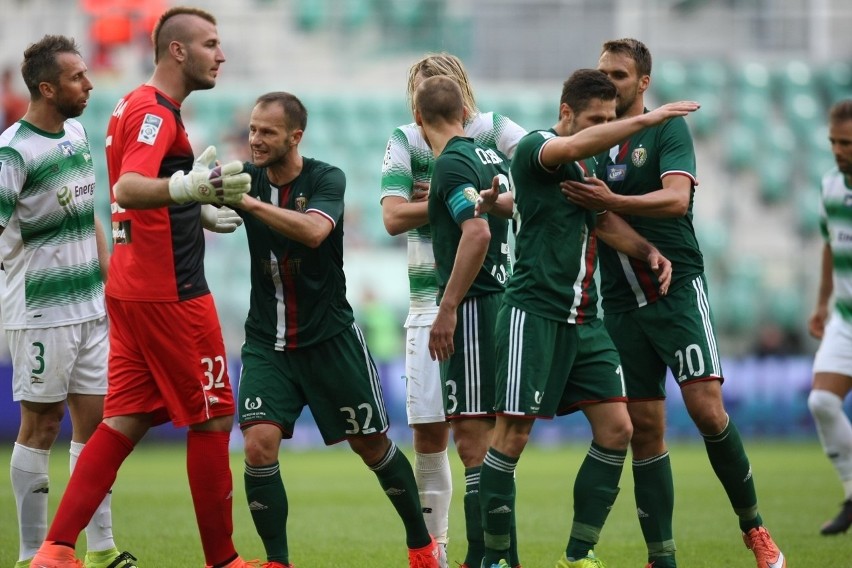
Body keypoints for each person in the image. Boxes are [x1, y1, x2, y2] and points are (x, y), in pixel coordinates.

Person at [31, 7, 253, 568]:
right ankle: (223, 561)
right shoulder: (155, 112)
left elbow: (135, 193)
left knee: (122, 420)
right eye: (209, 44)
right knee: (213, 417)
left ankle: (55, 550)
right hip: (169, 291)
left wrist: (191, 206)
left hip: (129, 286)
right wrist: (189, 188)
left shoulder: (132, 103)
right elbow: (131, 186)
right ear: (176, 51)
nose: (220, 55)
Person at [561, 38, 786, 568]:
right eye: (602, 73)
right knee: (645, 431)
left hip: (676, 290)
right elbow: (594, 217)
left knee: (708, 411)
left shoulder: (666, 129)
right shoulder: (590, 140)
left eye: (618, 75)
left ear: (642, 83)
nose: (608, 83)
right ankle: (661, 557)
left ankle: (755, 528)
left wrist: (614, 201)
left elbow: (677, 199)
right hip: (620, 304)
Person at [476, 68, 695, 568]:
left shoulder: (585, 161)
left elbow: (598, 218)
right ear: (565, 113)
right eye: (595, 119)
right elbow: (568, 154)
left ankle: (577, 555)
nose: (603, 127)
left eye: (611, 118)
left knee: (618, 429)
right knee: (512, 437)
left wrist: (648, 252)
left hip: (583, 319)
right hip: (532, 313)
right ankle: (495, 558)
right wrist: (649, 120)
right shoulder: (537, 147)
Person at [231, 91, 443, 568]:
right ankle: (277, 561)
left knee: (372, 446)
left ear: (294, 136)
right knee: (259, 444)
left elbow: (313, 231)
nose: (256, 139)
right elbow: (213, 210)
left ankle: (420, 545)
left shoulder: (326, 177)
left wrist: (246, 203)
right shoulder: (244, 176)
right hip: (268, 342)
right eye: (252, 129)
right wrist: (210, 203)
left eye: (267, 131)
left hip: (330, 340)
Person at [380, 52, 526, 568]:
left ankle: (485, 553)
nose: (426, 92)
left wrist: (447, 194)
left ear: (459, 92)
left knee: (480, 433)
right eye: (420, 85)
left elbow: (533, 176)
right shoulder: (404, 138)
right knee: (430, 431)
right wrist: (456, 198)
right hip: (428, 302)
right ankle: (436, 548)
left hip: (484, 298)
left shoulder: (493, 129)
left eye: (435, 84)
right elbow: (393, 217)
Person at [0, 34, 137, 568]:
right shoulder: (13, 152)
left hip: (91, 306)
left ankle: (100, 549)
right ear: (47, 88)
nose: (90, 83)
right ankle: (33, 553)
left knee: (98, 426)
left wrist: (113, 279)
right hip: (41, 311)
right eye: (78, 78)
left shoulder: (78, 133)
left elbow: (90, 213)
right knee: (40, 425)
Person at [807, 98, 852, 536]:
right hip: (845, 317)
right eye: (833, 142)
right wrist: (822, 303)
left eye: (847, 143)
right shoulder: (831, 186)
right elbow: (829, 245)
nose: (839, 150)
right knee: (821, 401)